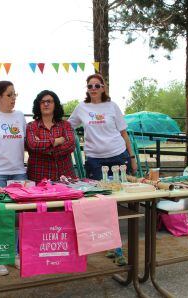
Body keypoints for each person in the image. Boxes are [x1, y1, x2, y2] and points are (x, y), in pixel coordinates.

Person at [68, 73, 138, 266]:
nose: (93, 89)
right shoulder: (81, 108)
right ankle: (114, 246)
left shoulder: (112, 106)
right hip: (95, 161)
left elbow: (123, 133)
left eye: (97, 85)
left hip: (118, 156)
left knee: (118, 200)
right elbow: (67, 127)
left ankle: (115, 245)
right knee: (102, 202)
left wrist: (131, 158)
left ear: (104, 87)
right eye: (90, 86)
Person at [0, 81, 27, 276]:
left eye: (15, 94)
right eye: (9, 95)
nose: (13, 98)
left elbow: (25, 143)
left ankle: (14, 254)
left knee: (18, 217)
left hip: (18, 172)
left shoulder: (19, 116)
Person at [26, 90, 76, 182]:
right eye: (42, 102)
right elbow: (32, 145)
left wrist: (42, 148)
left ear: (55, 104)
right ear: (38, 105)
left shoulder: (65, 125)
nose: (46, 104)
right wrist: (57, 141)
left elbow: (71, 145)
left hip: (65, 177)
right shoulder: (31, 126)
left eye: (49, 101)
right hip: (38, 177)